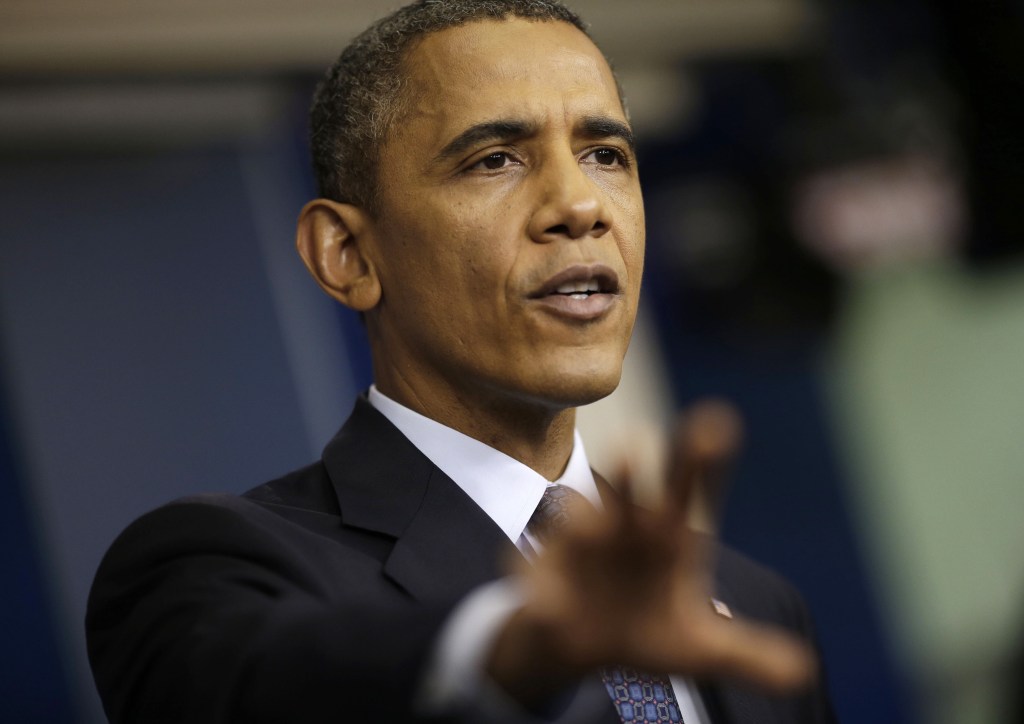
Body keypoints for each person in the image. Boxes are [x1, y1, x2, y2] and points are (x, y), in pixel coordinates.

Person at [86, 1, 837, 722]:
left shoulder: (754, 602)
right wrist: (518, 647)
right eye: (495, 159)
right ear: (347, 255)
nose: (581, 205)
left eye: (606, 154)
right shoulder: (219, 565)